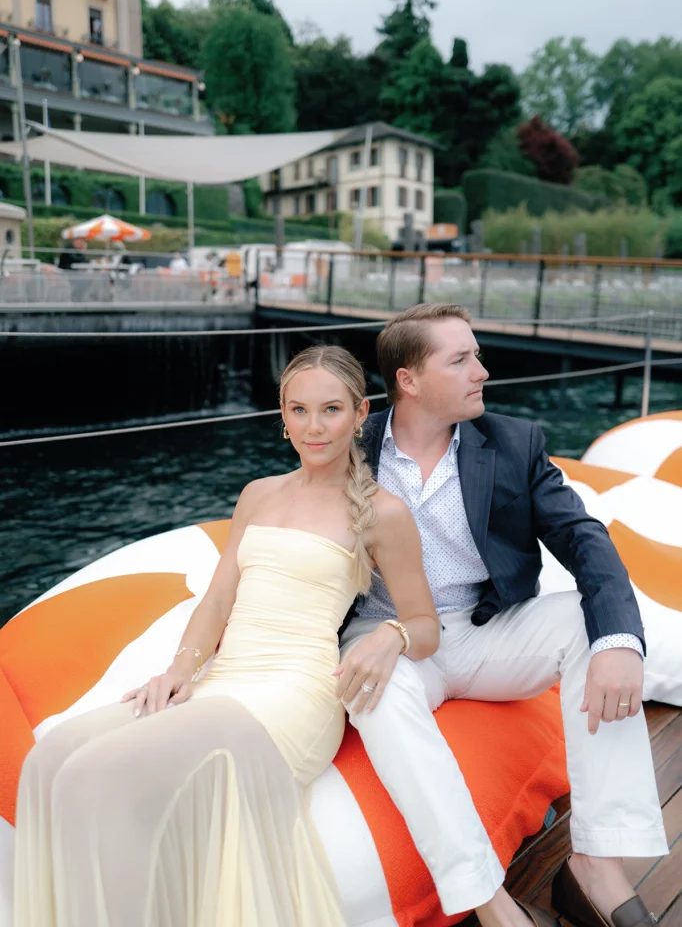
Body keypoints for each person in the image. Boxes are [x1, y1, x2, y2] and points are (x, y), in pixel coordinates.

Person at [13, 345, 440, 927]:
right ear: (282, 414)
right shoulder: (258, 493)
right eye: (299, 410)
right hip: (225, 675)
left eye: (331, 410)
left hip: (295, 692)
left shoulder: (383, 512)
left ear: (361, 411)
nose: (314, 427)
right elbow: (218, 599)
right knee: (51, 759)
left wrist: (390, 635)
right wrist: (179, 671)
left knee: (94, 776)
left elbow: (425, 625)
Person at [337, 303, 666, 927]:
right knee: (369, 686)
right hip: (394, 639)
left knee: (591, 625)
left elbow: (583, 537)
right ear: (408, 380)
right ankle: (490, 902)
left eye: (477, 355)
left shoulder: (515, 442)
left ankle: (597, 864)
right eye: (460, 360)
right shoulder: (353, 450)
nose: (482, 371)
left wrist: (621, 639)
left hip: (487, 634)